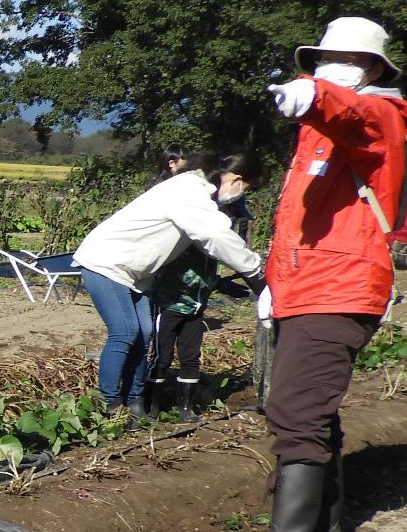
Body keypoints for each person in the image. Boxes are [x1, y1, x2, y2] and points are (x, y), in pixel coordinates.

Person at [229, 17, 407, 532]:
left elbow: (352, 113)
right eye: (320, 60)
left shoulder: (380, 115)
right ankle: (324, 530)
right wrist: (274, 284)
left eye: (338, 60)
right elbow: (297, 224)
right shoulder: (318, 134)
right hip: (306, 286)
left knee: (294, 408)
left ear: (370, 68)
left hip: (338, 289)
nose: (324, 67)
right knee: (314, 410)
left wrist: (316, 95)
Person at [72, 154, 264, 422]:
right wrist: (255, 275)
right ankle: (109, 404)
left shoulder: (195, 190)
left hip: (135, 272)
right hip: (106, 262)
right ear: (236, 179)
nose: (241, 195)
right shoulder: (189, 191)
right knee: (126, 332)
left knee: (146, 333)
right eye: (246, 189)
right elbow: (215, 235)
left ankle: (136, 401)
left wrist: (221, 281)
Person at [143, 160, 260, 420]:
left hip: (196, 305)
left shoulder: (214, 242)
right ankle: (152, 407)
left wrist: (220, 283)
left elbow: (206, 272)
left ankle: (187, 407)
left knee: (191, 356)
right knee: (161, 356)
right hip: (169, 300)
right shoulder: (194, 230)